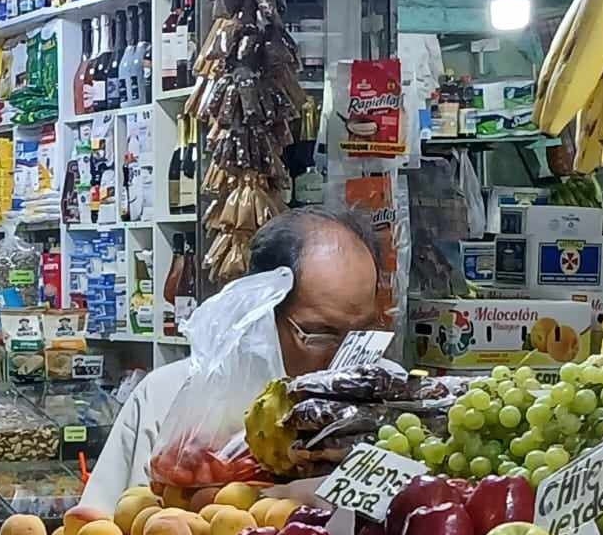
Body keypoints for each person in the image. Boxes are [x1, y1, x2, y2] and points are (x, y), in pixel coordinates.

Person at [81, 208, 382, 509]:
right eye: (321, 334)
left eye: (364, 333)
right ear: (261, 311)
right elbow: (96, 533)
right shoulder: (167, 398)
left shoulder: (387, 405)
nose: (347, 356)